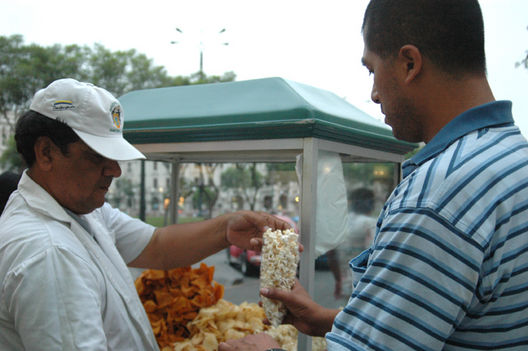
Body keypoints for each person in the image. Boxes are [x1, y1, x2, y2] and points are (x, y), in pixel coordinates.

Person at [219, 0, 528, 350]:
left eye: (372, 69)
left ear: (409, 63)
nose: (374, 93)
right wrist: (325, 319)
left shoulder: (436, 196)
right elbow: (451, 315)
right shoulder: (512, 157)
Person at [0, 78, 289, 350]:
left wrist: (227, 229)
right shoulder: (48, 252)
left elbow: (157, 245)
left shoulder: (82, 211)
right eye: (97, 156)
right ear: (46, 153)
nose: (115, 170)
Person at [328, 187, 377, 299]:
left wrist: (338, 279)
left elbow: (331, 253)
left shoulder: (342, 222)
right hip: (364, 285)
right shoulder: (370, 224)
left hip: (345, 282)